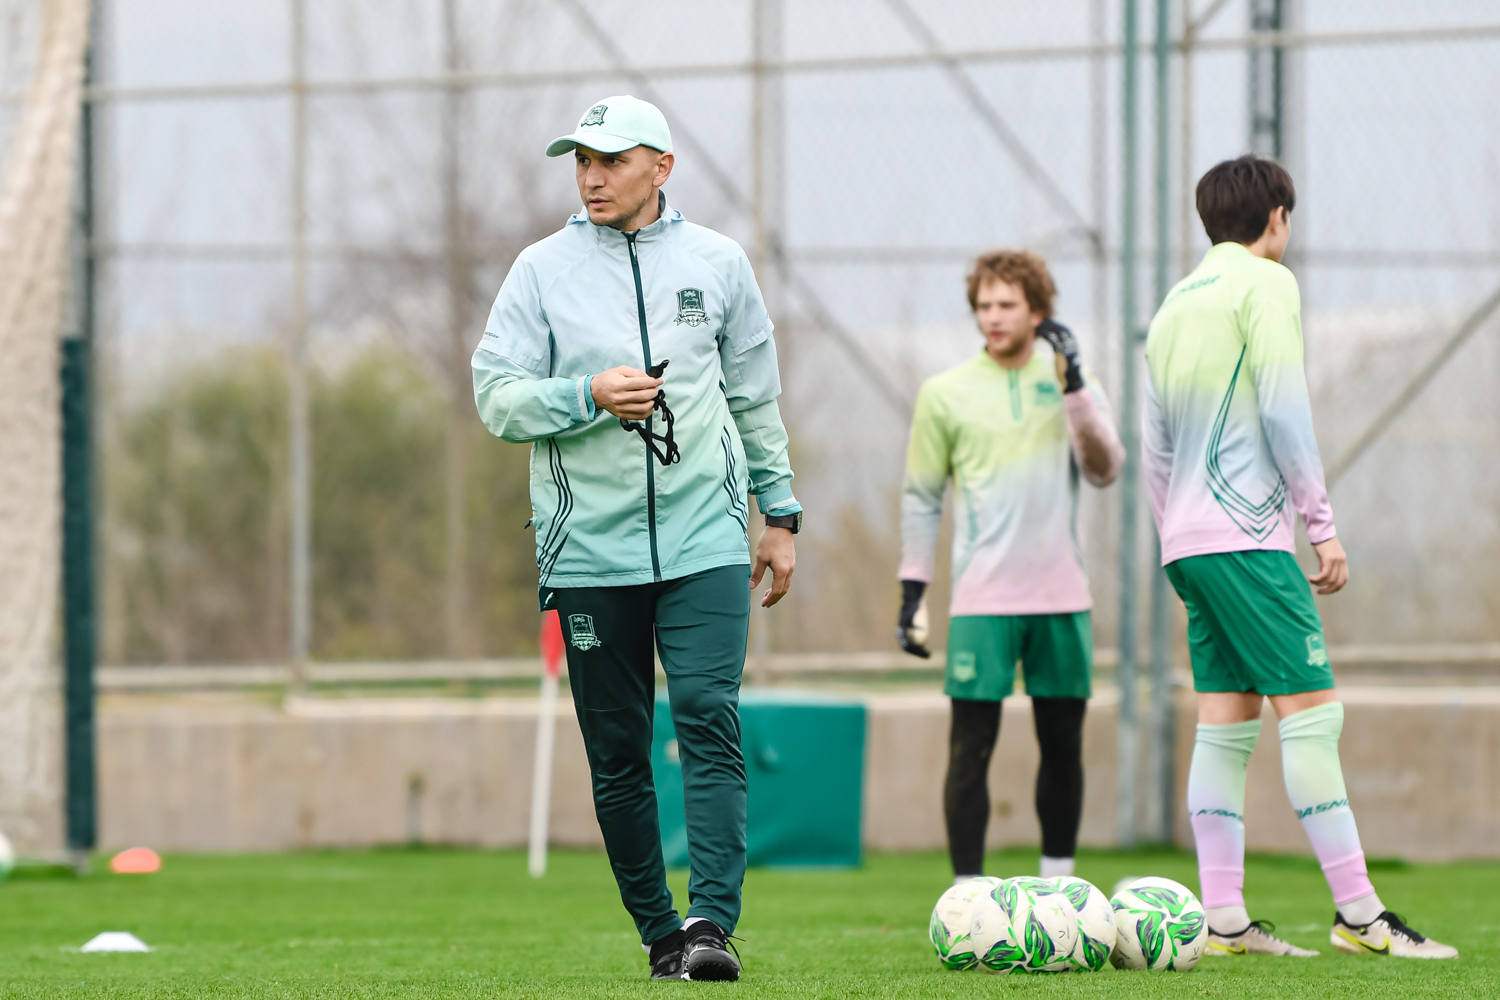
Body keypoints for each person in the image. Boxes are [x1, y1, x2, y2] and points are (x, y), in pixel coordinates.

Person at [473, 95, 802, 982]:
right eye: (581, 160)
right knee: (618, 753)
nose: (591, 177)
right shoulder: (539, 270)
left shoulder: (719, 263)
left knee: (706, 712)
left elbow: (754, 397)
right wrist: (585, 395)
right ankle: (662, 936)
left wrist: (779, 516)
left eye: (611, 160)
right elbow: (496, 398)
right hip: (588, 552)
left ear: (661, 166)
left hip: (706, 539)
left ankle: (711, 926)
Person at [1144, 154, 1456, 960]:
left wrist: (1177, 537)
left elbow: (1156, 447)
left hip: (1189, 542)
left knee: (1224, 728)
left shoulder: (1172, 305)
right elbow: (1285, 407)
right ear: (1277, 218)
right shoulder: (1266, 284)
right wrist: (1320, 524)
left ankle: (1223, 922)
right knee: (1313, 717)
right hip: (1247, 538)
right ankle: (1361, 917)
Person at [897, 250, 1124, 884]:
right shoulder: (945, 393)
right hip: (983, 601)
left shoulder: (1075, 383)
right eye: (983, 306)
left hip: (1062, 597)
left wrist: (1074, 387)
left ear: (1039, 311)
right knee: (970, 750)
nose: (992, 317)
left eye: (1007, 305)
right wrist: (913, 592)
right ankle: (967, 896)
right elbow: (921, 497)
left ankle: (1061, 888)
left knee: (1064, 747)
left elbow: (1106, 469)